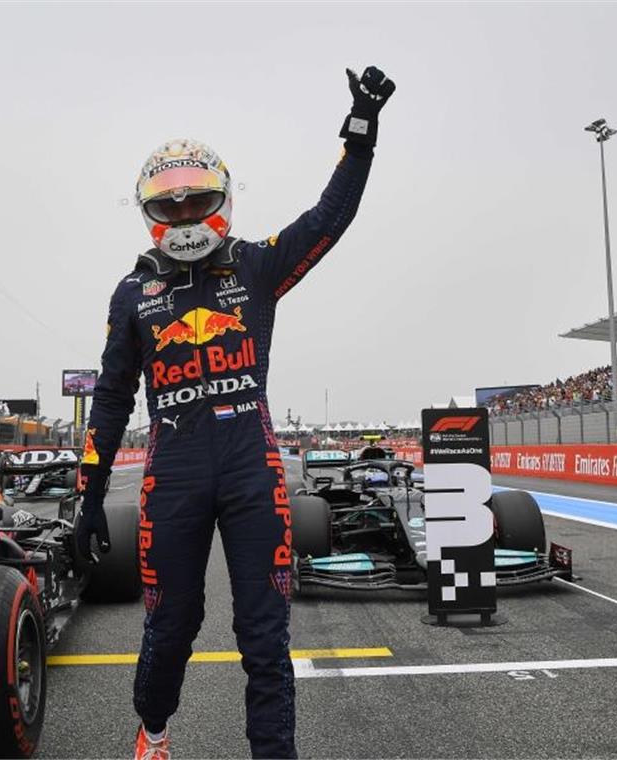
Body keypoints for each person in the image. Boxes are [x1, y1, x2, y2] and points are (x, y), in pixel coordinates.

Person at [74, 65, 395, 759]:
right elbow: (109, 400)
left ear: (220, 200)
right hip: (175, 472)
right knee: (171, 625)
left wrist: (360, 135)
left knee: (265, 637)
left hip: (253, 468)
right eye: (172, 205)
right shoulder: (131, 294)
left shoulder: (255, 266)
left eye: (197, 202)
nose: (186, 216)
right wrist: (89, 497)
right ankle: (153, 733)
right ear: (151, 212)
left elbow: (327, 221)